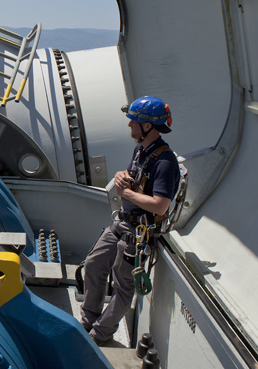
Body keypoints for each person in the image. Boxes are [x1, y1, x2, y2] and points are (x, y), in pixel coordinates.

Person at [80, 96, 180, 345]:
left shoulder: (165, 162)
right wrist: (120, 176)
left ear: (148, 125)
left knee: (123, 285)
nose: (129, 125)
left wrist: (126, 193)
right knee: (93, 264)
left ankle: (100, 333)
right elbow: (133, 177)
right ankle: (87, 319)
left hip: (138, 232)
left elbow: (160, 205)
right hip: (122, 224)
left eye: (133, 121)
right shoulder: (141, 150)